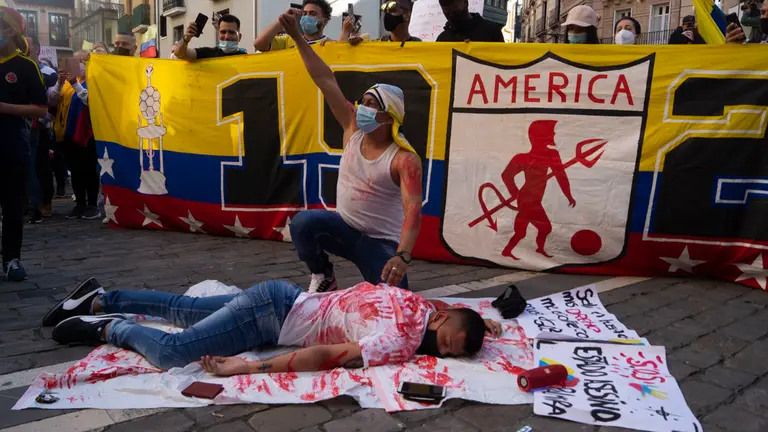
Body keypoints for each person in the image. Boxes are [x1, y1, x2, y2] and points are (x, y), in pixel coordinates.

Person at [44, 277, 499, 373]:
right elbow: (326, 356)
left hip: (279, 298)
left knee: (184, 308)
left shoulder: (415, 303)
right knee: (172, 353)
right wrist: (248, 369)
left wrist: (481, 325)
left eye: (450, 352)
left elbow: (446, 309)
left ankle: (102, 296)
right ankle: (107, 326)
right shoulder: (401, 342)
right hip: (272, 316)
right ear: (437, 320)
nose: (440, 351)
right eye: (446, 342)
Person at [277, 9, 423, 292]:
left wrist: (402, 255)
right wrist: (296, 36)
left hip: (380, 243)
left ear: (389, 117)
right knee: (303, 224)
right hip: (344, 229)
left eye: (371, 104)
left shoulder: (404, 160)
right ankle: (324, 275)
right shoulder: (353, 129)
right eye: (363, 100)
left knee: (396, 298)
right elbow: (324, 79)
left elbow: (413, 209)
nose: (362, 107)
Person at [0, 7, 48, 282]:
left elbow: (41, 109)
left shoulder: (25, 66)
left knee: (12, 206)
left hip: (12, 147)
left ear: (10, 31)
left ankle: (12, 259)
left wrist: (4, 108)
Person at [500, 121, 576, 260]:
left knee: (540, 229)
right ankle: (511, 251)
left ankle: (536, 249)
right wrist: (515, 193)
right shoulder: (523, 158)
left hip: (534, 199)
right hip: (527, 199)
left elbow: (561, 176)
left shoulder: (551, 154)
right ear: (540, 136)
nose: (553, 134)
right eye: (550, 132)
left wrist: (568, 195)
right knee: (531, 230)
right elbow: (506, 175)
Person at [48, 51, 100, 220]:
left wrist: (75, 84)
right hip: (69, 132)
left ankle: (92, 204)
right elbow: (53, 100)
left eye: (81, 62)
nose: (77, 65)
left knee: (89, 169)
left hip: (87, 134)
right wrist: (59, 82)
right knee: (76, 170)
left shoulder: (94, 82)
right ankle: (80, 204)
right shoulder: (68, 84)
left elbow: (91, 101)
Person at [25, 37, 58, 222]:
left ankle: (45, 201)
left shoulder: (48, 73)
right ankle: (26, 203)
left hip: (41, 126)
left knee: (42, 166)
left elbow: (52, 101)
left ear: (36, 48)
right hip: (21, 125)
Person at [254, 1, 332, 52]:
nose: (307, 17)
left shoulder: (330, 44)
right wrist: (282, 20)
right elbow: (259, 44)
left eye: (312, 14)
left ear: (325, 21)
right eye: (304, 13)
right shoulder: (288, 41)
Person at [174, 14, 246, 60]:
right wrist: (186, 38)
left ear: (239, 37)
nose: (227, 36)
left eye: (231, 32)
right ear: (218, 35)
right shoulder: (208, 53)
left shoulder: (247, 59)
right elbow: (180, 54)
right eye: (223, 32)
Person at [436, 0, 504, 42]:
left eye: (455, 12)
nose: (451, 16)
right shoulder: (442, 39)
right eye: (447, 14)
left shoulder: (491, 30)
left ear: (466, 3)